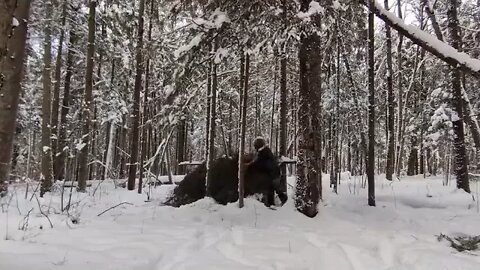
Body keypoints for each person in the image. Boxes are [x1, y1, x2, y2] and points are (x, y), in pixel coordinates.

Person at [248, 137, 288, 205]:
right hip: (272, 174)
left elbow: (259, 162)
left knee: (276, 189)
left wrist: (249, 165)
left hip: (273, 174)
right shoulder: (265, 151)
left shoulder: (264, 152)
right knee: (271, 189)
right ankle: (271, 204)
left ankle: (285, 202)